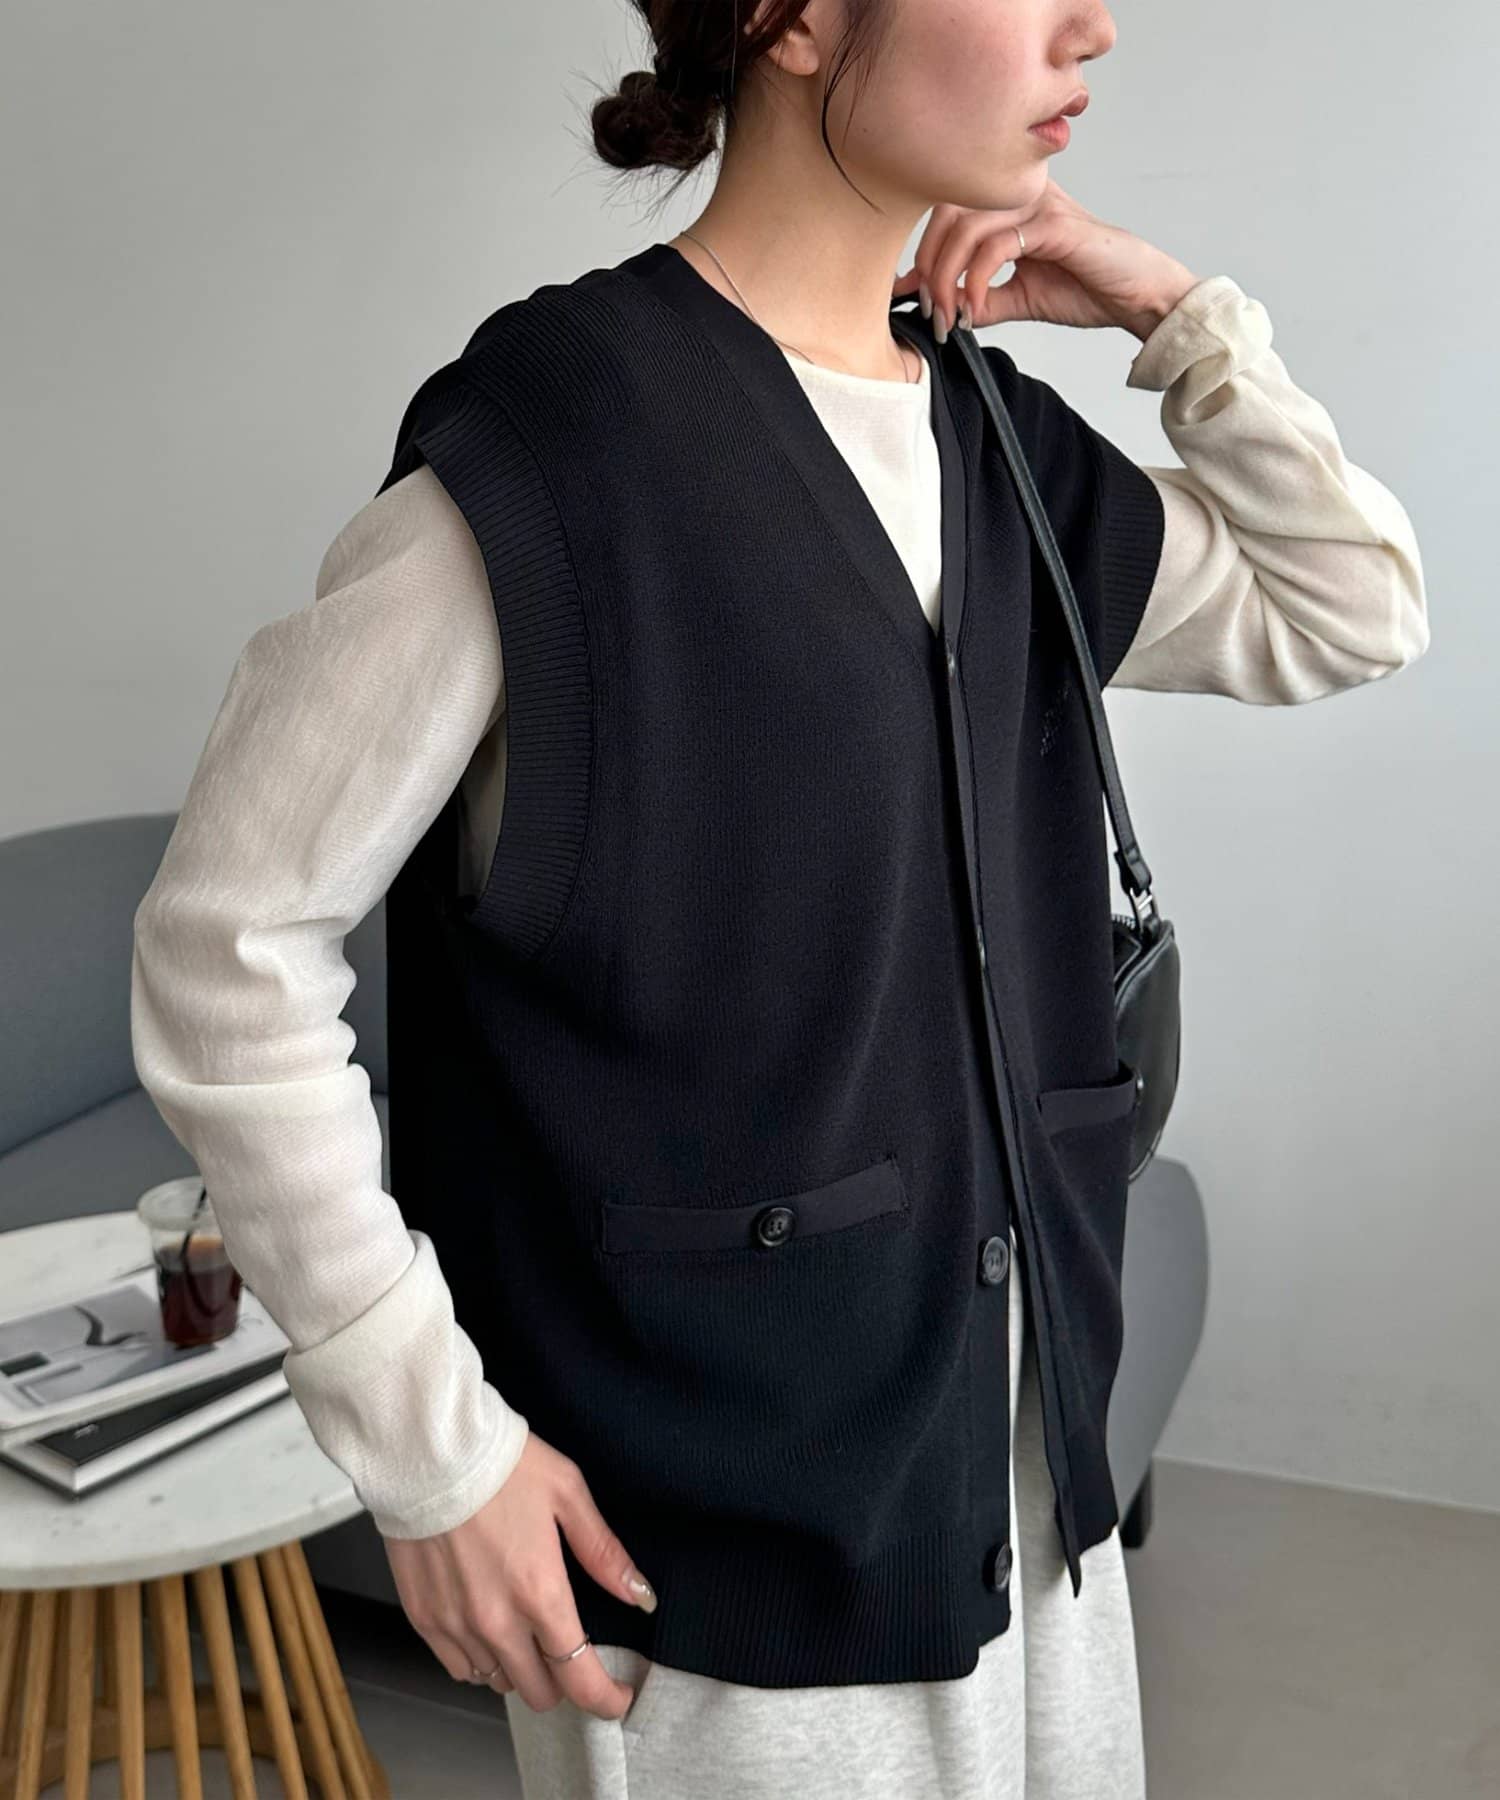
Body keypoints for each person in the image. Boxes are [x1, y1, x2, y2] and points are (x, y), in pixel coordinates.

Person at [130, 0, 1430, 1794]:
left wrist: (1174, 318)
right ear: (795, 19)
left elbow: (1349, 607)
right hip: (716, 1538)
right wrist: (429, 1449)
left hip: (1019, 1464)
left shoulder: (996, 443)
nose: (1092, 27)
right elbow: (226, 950)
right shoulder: (558, 446)